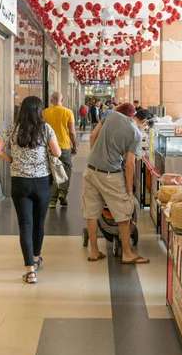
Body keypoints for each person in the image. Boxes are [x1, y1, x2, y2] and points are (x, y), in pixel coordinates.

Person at [0, 96, 61, 284]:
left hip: (19, 182)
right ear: (39, 111)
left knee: (25, 226)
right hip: (42, 181)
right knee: (39, 223)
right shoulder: (45, 128)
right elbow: (57, 153)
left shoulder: (12, 129)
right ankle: (36, 257)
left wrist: (11, 159)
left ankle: (30, 270)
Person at [83, 108, 153, 264]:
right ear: (144, 122)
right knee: (124, 215)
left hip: (90, 170)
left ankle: (94, 251)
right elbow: (129, 164)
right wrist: (129, 188)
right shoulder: (136, 133)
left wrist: (95, 157)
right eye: (146, 127)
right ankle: (127, 254)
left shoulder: (111, 115)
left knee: (92, 213)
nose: (144, 129)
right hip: (111, 174)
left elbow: (93, 135)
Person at [43, 92, 77, 208]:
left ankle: (52, 200)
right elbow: (72, 132)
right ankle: (62, 192)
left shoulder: (45, 112)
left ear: (51, 101)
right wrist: (75, 146)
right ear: (62, 100)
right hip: (65, 146)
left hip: (49, 147)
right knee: (66, 169)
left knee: (51, 171)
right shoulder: (68, 112)